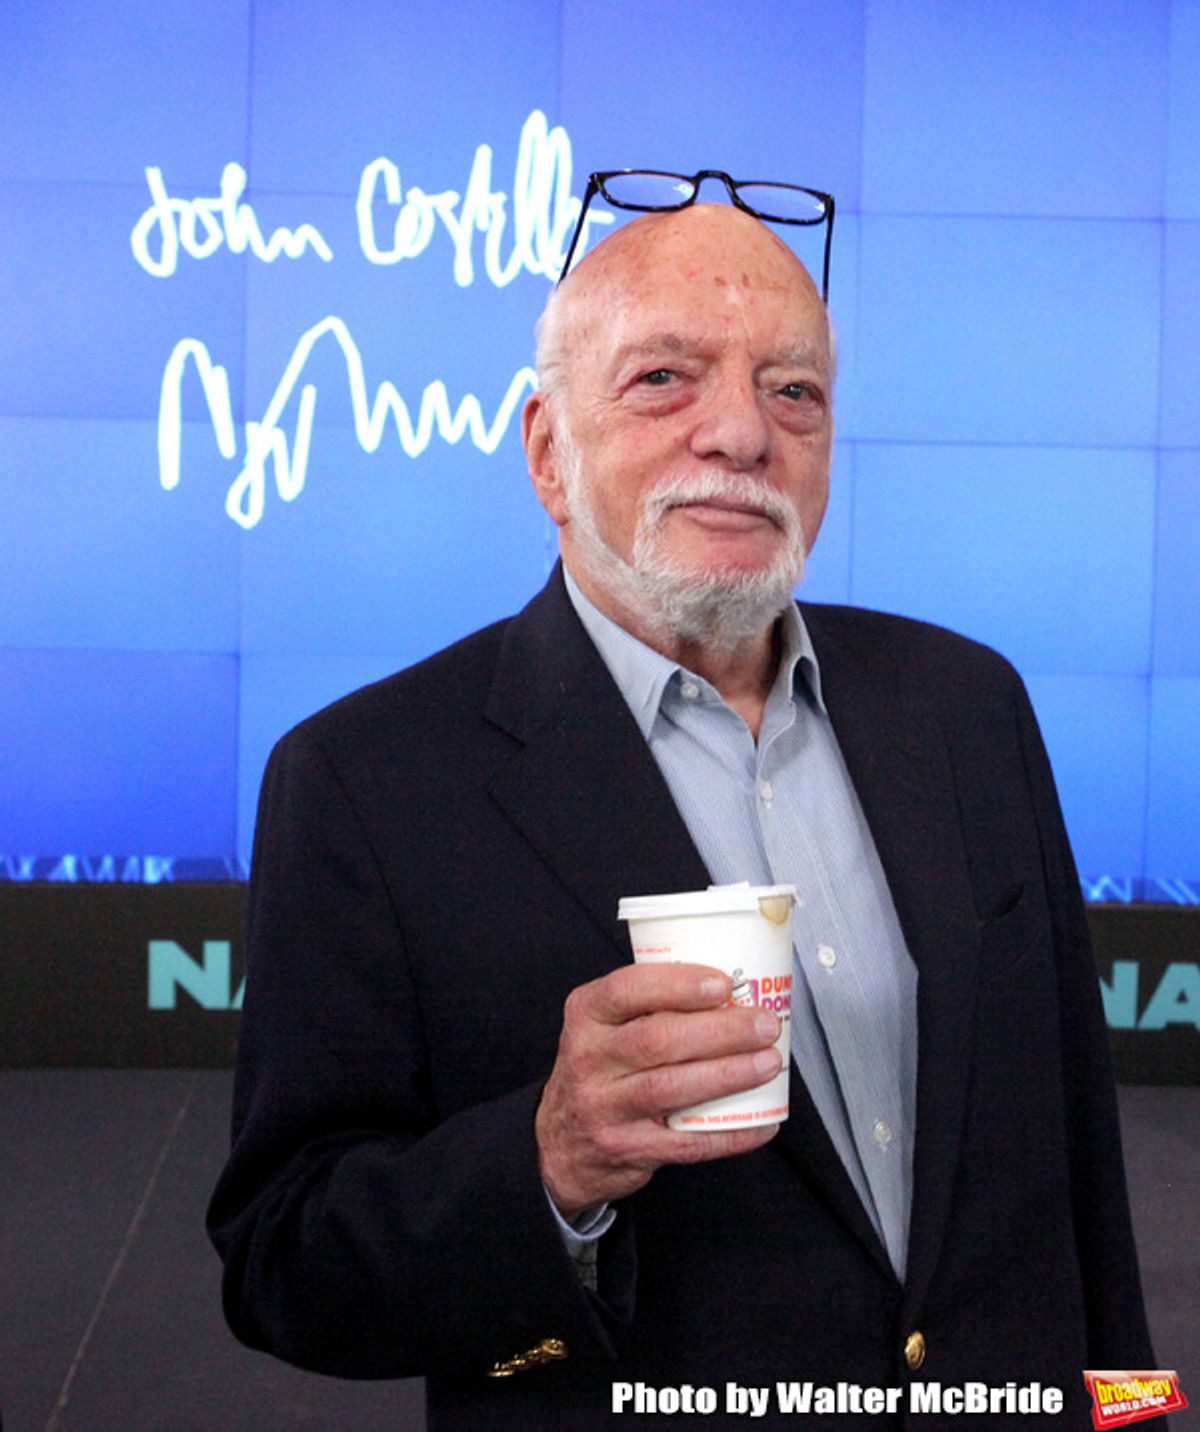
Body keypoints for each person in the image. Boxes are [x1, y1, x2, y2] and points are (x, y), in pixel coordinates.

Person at [209, 196, 1160, 1430]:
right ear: (549, 450)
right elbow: (285, 1262)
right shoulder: (367, 780)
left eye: (794, 392)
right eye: (665, 378)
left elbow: (1081, 1177)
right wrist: (544, 1163)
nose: (741, 433)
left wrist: (1138, 1416)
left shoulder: (968, 706)